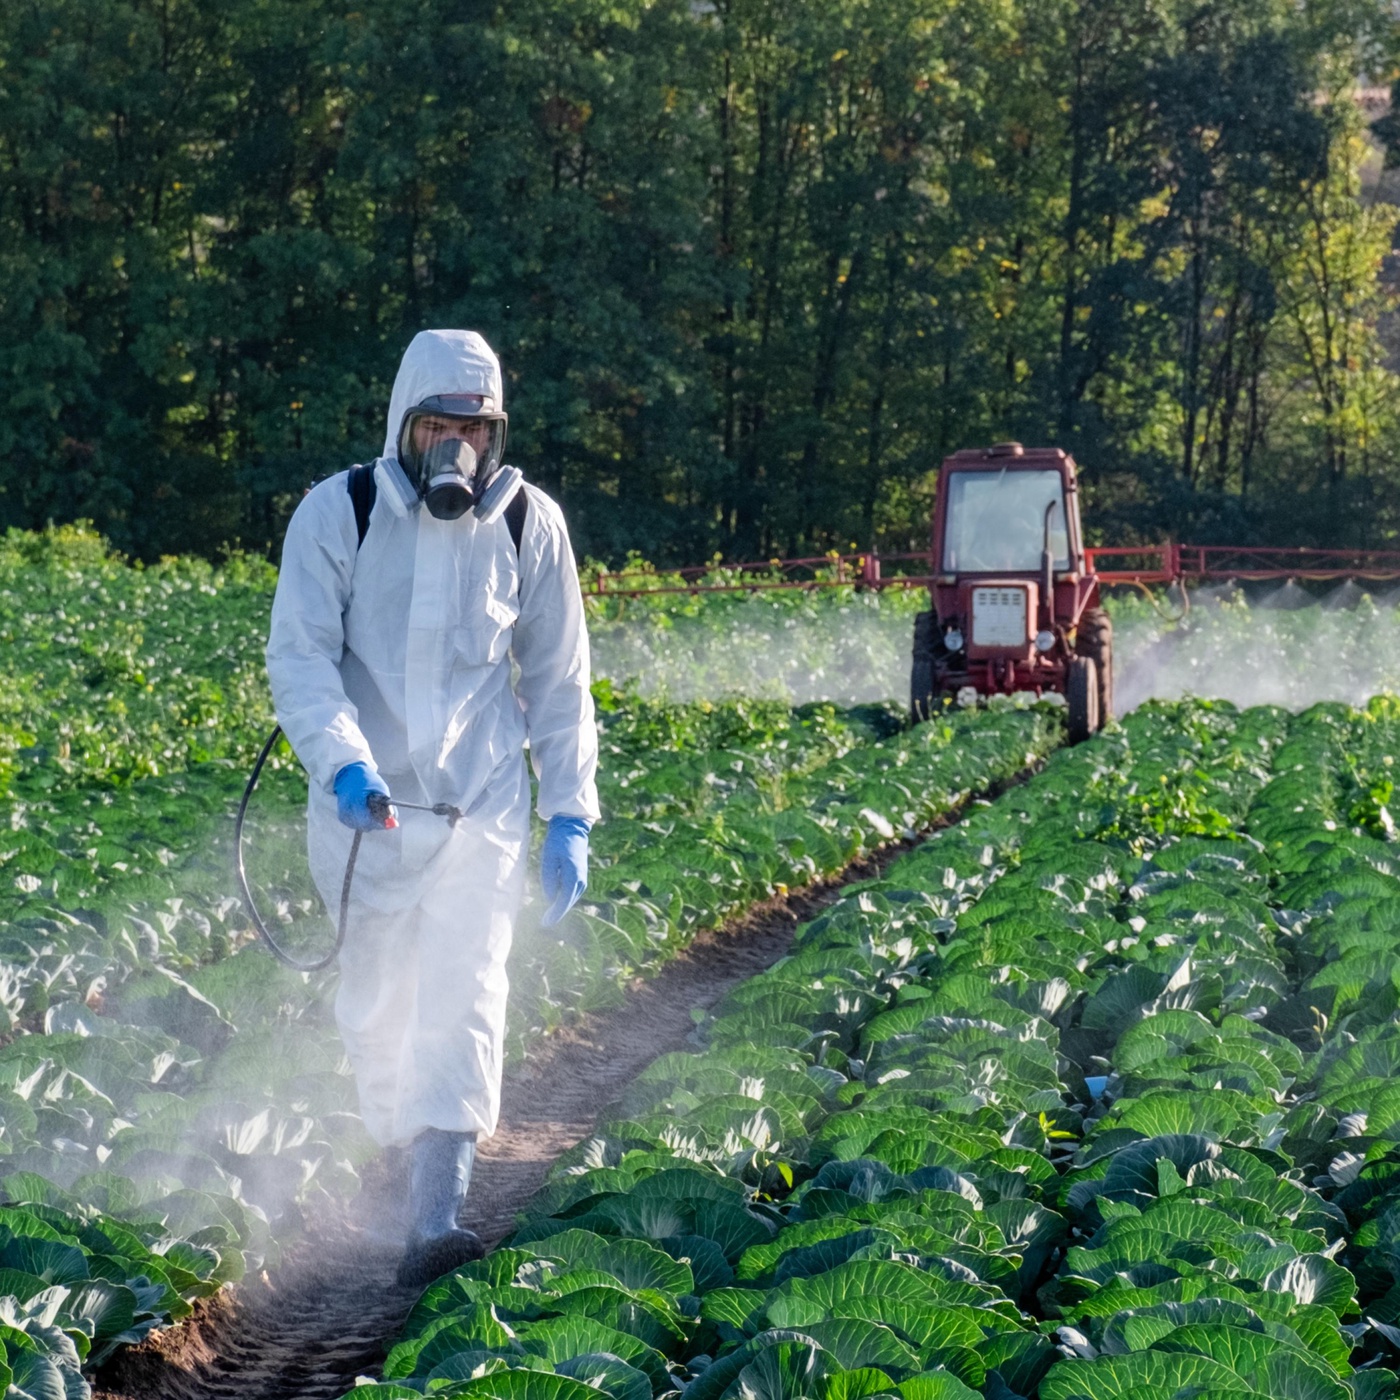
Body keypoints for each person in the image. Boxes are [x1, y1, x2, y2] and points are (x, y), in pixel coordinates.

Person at [265, 329, 600, 1288]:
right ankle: (396, 1152)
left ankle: (435, 1213)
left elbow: (560, 677)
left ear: (495, 438)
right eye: (437, 429)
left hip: (478, 810)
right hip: (363, 810)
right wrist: (343, 767)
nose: (456, 451)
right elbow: (301, 658)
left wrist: (570, 811)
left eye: (473, 431)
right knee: (375, 1007)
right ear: (404, 426)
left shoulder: (530, 526)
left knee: (465, 992)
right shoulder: (342, 514)